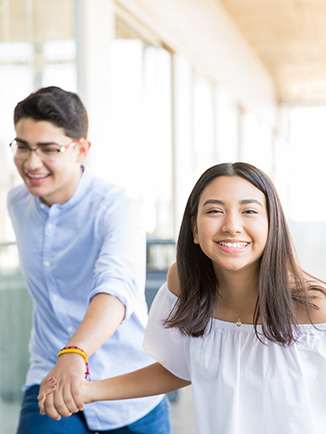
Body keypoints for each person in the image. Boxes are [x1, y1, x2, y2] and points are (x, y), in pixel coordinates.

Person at [39, 162, 326, 434]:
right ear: (194, 229)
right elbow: (182, 367)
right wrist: (87, 392)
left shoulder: (315, 308)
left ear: (272, 225)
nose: (232, 225)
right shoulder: (186, 284)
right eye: (214, 211)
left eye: (249, 211)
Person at [7, 86, 171, 434]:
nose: (31, 162)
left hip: (127, 383)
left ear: (81, 149)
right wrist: (64, 357)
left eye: (49, 149)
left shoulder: (117, 206)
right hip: (51, 376)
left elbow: (116, 285)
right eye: (23, 146)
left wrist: (76, 352)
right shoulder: (18, 203)